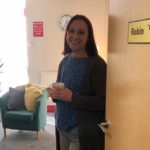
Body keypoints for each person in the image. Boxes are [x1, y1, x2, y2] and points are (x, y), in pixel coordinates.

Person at [49, 14, 107, 150]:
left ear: (88, 37)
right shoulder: (65, 60)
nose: (75, 36)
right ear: (66, 33)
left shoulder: (97, 64)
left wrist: (72, 98)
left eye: (81, 32)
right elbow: (60, 91)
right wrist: (54, 94)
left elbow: (104, 102)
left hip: (80, 133)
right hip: (61, 127)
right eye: (71, 31)